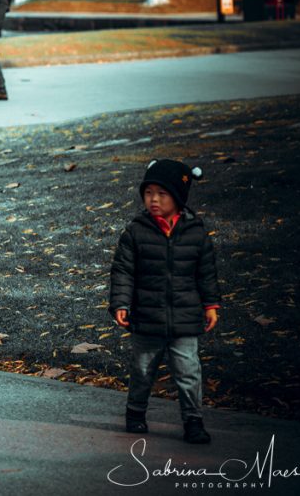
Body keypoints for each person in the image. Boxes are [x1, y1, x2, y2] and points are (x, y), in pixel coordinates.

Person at [109, 159, 221, 445]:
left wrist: (210, 305)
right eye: (148, 193)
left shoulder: (196, 233)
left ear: (178, 197)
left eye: (162, 193)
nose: (154, 199)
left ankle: (193, 422)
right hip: (147, 319)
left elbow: (206, 273)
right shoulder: (136, 232)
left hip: (185, 319)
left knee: (189, 372)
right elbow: (123, 271)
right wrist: (121, 304)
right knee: (143, 371)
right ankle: (135, 413)